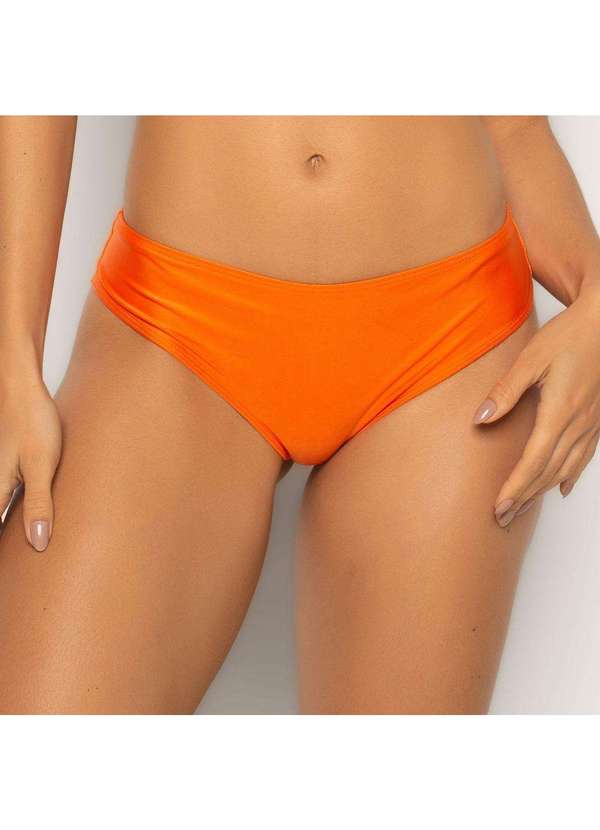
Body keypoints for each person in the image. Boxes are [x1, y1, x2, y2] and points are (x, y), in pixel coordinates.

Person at [1, 116, 599, 714]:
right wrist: (12, 365)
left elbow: (513, 122)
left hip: (450, 336)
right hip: (173, 320)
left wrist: (595, 292)